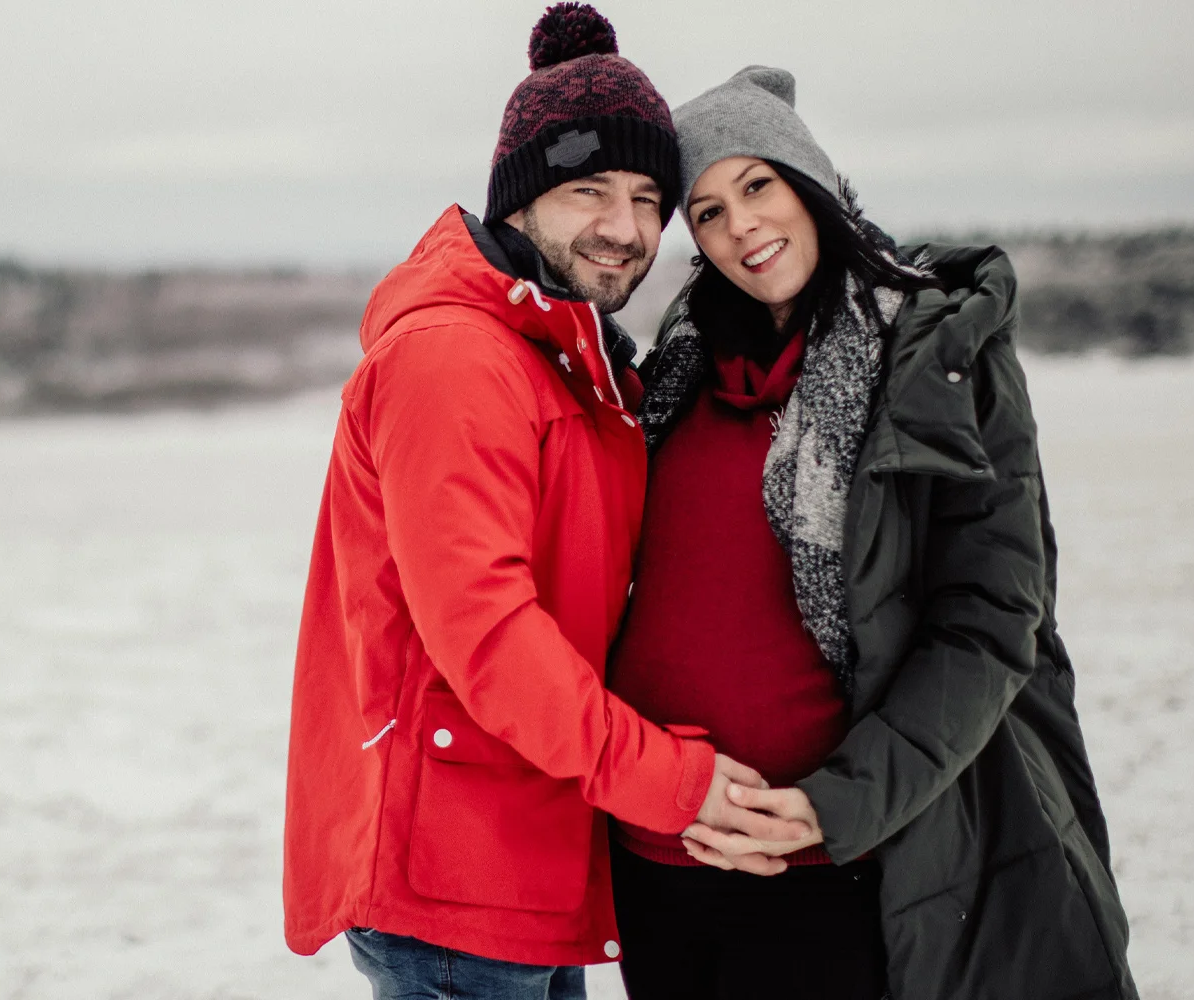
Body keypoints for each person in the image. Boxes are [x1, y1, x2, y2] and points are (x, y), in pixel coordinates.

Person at [282, 8, 809, 999]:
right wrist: (668, 780)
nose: (624, 228)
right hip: (451, 875)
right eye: (586, 191)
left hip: (518, 853)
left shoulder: (568, 358)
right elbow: (484, 633)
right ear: (519, 201)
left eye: (649, 196)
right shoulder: (456, 358)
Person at [606, 66, 1140, 999]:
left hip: (830, 860)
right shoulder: (680, 366)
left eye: (757, 185)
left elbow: (991, 619)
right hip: (663, 859)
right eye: (709, 211)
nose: (742, 228)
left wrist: (832, 806)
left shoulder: (933, 357)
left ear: (810, 179)